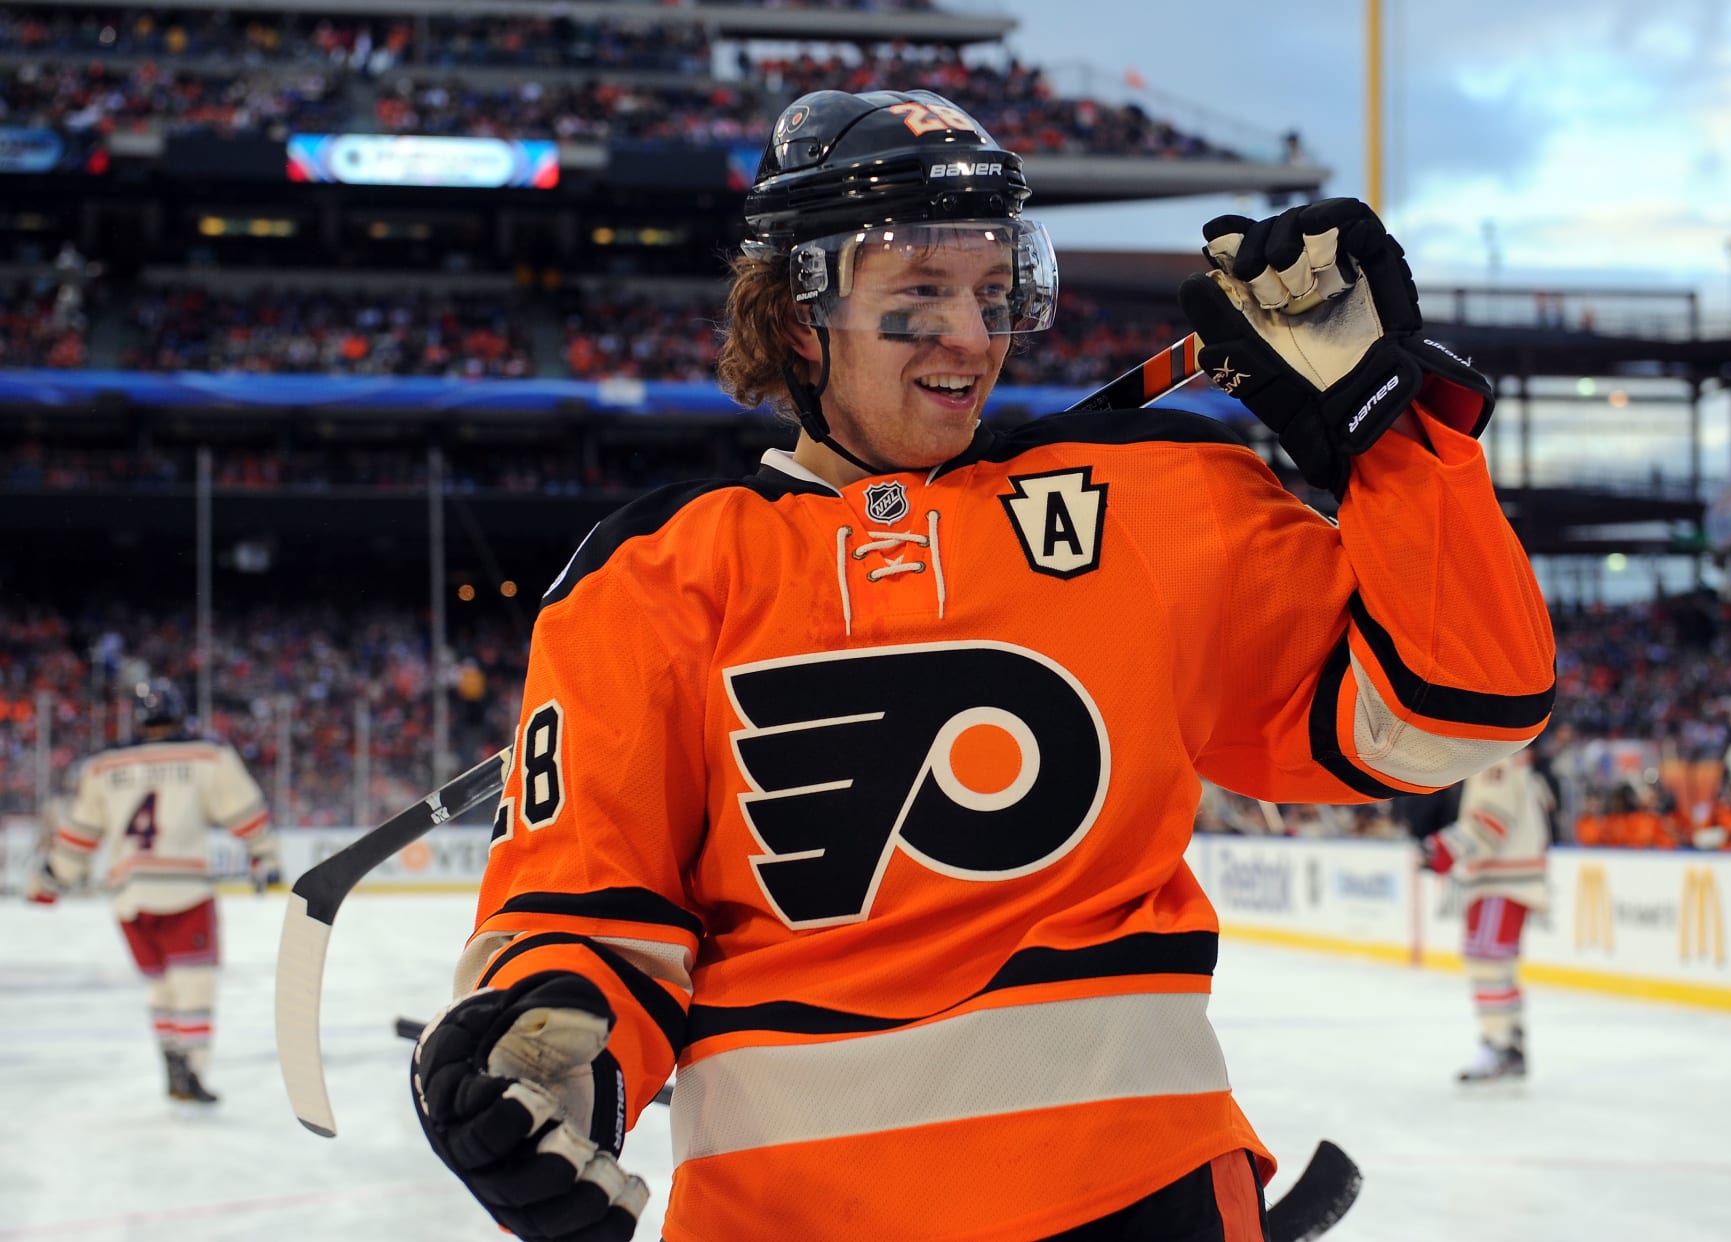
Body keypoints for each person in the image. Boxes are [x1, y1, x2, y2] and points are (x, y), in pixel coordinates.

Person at [409, 88, 1556, 1241]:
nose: (972, 335)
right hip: (788, 1220)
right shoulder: (649, 577)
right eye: (918, 298)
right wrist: (538, 1062)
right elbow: (592, 929)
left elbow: (1460, 713)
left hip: (1144, 1201)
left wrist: (1388, 441)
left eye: (996, 292)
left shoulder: (1152, 503)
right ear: (800, 315)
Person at [25, 679, 279, 1105]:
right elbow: (246, 813)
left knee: (159, 986)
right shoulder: (208, 757)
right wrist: (264, 857)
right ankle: (192, 1069)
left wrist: (52, 880)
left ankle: (171, 1060)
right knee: (194, 984)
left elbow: (79, 836)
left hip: (129, 896)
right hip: (185, 889)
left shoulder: (103, 767)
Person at [1420, 746, 1553, 1085]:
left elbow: (1491, 818)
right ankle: (1510, 1043)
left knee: (1487, 961)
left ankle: (1500, 1044)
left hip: (1502, 877)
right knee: (1497, 964)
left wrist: (1445, 847)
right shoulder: (1504, 755)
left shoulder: (1498, 757)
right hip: (1504, 875)